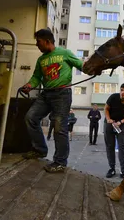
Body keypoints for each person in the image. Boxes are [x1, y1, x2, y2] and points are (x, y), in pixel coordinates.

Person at [22, 28, 84, 173]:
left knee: (59, 127)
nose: (37, 45)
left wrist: (95, 68)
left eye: (38, 42)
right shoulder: (41, 59)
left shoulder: (65, 53)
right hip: (46, 94)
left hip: (62, 94)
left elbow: (82, 66)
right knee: (30, 117)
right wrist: (30, 85)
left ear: (47, 41)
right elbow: (37, 77)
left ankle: (60, 162)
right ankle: (40, 150)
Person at [104, 83, 124, 178]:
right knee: (110, 146)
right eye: (121, 90)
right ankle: (112, 169)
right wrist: (109, 119)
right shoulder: (113, 97)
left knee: (122, 146)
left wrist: (121, 122)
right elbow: (106, 109)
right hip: (110, 123)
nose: (123, 92)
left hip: (121, 124)